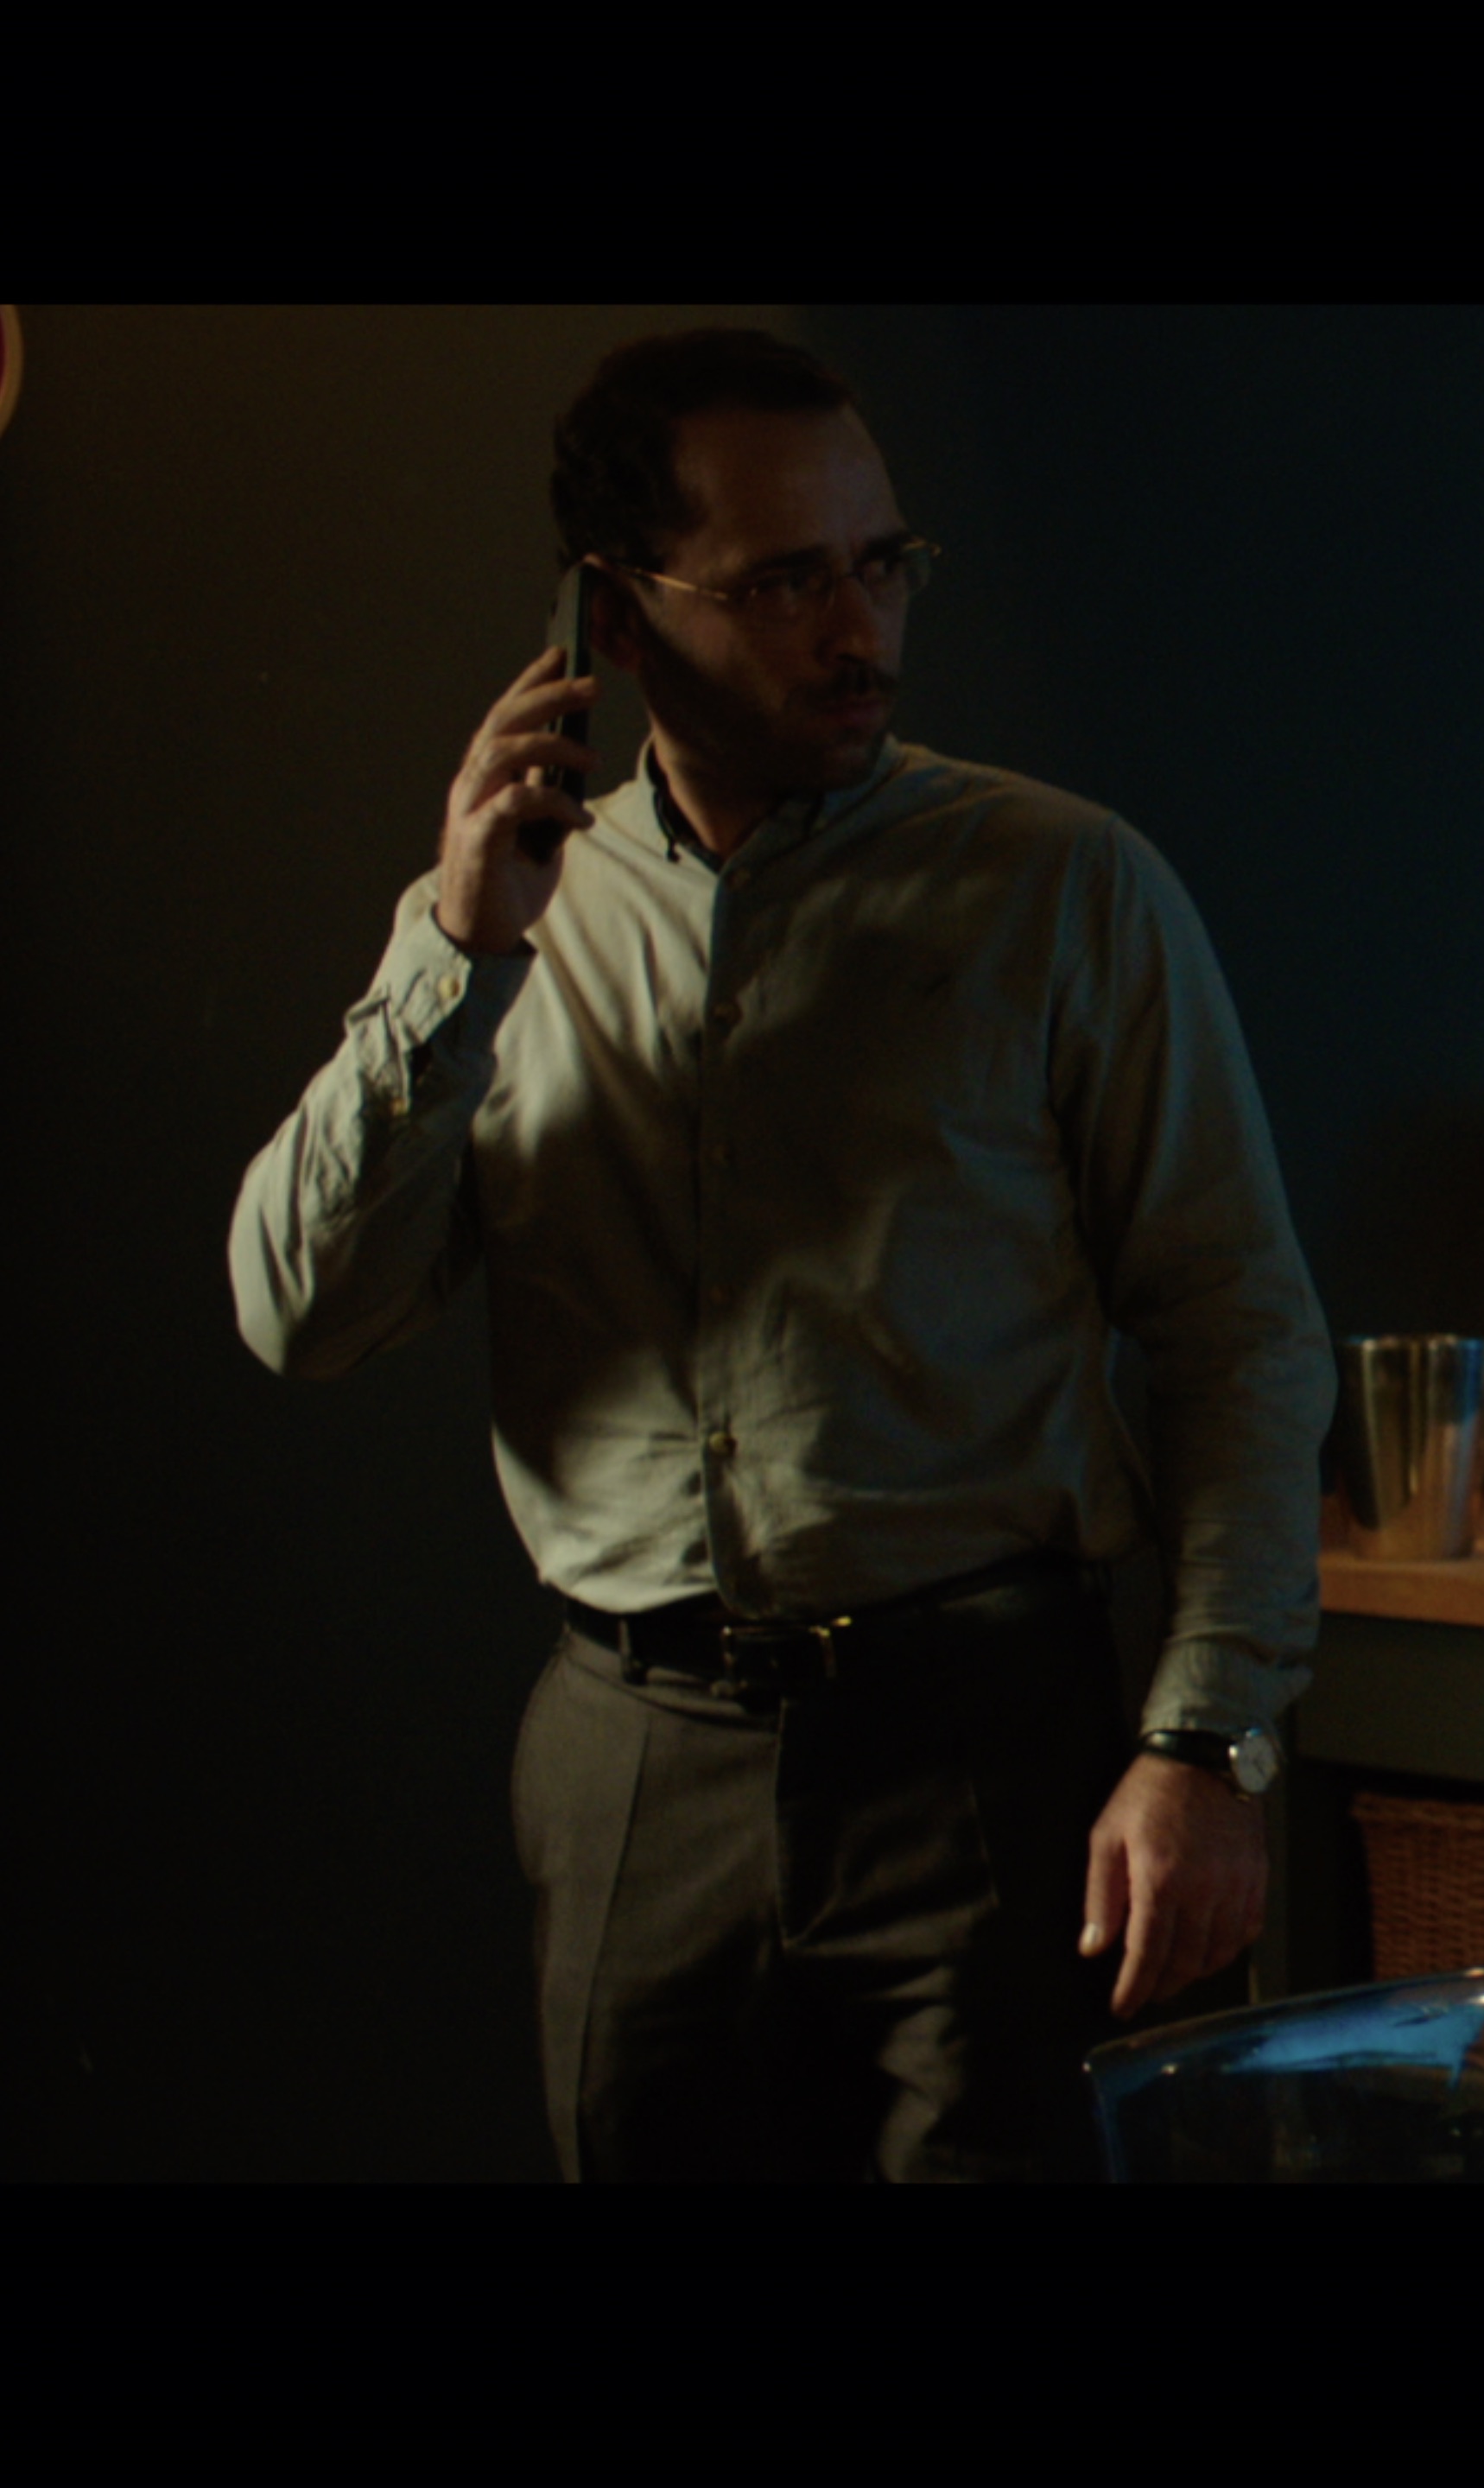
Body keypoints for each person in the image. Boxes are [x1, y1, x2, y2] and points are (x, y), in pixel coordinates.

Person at [227, 328, 1332, 2178]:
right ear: (613, 616)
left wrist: (1209, 1745)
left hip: (991, 1757)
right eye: (785, 581)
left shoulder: (1064, 889)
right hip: (637, 1762)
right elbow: (298, 1315)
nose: (859, 630)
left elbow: (1239, 1333)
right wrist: (455, 957)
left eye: (882, 564)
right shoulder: (509, 926)